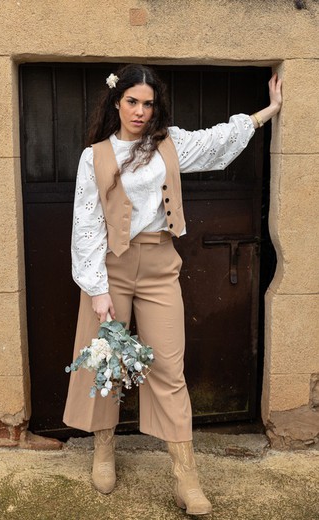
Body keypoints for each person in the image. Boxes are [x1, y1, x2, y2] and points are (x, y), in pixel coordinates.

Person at [63, 64, 282, 516]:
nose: (140, 111)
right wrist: (97, 289)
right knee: (104, 360)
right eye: (132, 102)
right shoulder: (95, 156)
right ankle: (104, 450)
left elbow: (219, 141)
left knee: (168, 365)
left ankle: (186, 477)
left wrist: (270, 111)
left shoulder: (171, 143)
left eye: (148, 103)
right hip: (110, 268)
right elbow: (85, 223)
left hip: (161, 264)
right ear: (116, 103)